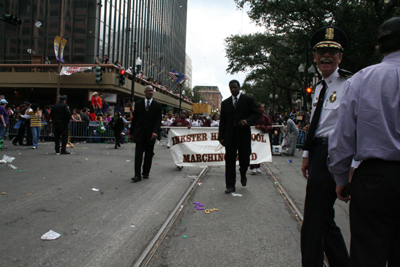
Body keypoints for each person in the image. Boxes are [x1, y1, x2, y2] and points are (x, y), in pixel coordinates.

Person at [328, 17, 400, 266]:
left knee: (367, 255)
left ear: (380, 45)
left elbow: (342, 137)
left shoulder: (361, 79)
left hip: (374, 180)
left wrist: (340, 178)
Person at [300, 26, 351, 267]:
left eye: (332, 50)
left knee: (312, 220)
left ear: (340, 57)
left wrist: (353, 163)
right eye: (321, 51)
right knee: (325, 218)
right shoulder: (318, 88)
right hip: (319, 153)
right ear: (314, 57)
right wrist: (307, 154)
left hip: (336, 153)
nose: (326, 56)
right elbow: (316, 124)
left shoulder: (349, 84)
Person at [218, 80, 258, 194]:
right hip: (230, 136)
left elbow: (255, 114)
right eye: (231, 88)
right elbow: (223, 121)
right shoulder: (225, 103)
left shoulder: (248, 100)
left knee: (244, 158)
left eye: (235, 87)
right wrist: (221, 137)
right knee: (229, 161)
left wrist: (247, 121)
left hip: (243, 135)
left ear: (239, 87)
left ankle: (243, 172)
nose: (233, 90)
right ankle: (230, 185)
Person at [129, 85, 162, 182]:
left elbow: (158, 120)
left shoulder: (157, 105)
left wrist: (155, 131)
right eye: (149, 91)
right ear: (144, 92)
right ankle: (137, 175)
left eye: (152, 91)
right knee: (138, 154)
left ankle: (146, 172)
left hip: (151, 134)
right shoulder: (138, 104)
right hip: (140, 133)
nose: (150, 92)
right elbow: (134, 119)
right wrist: (131, 133)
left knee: (148, 154)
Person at [250, 103, 272, 174]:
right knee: (253, 151)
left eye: (263, 107)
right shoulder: (253, 116)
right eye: (262, 107)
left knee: (259, 151)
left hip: (261, 137)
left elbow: (270, 126)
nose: (263, 109)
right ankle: (253, 167)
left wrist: (261, 127)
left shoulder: (265, 117)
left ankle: (258, 166)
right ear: (258, 108)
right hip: (253, 137)